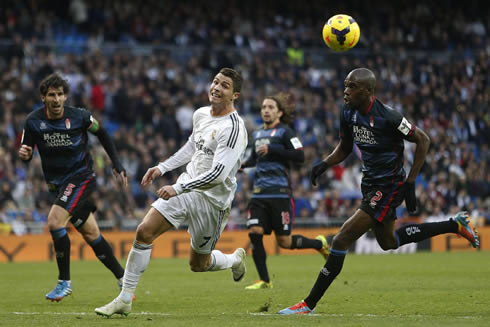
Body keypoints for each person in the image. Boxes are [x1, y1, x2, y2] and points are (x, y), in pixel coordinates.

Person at [279, 68, 480, 314]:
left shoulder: (389, 117)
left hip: (389, 185)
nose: (345, 91)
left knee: (342, 238)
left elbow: (423, 139)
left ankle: (308, 304)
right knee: (389, 241)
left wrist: (411, 182)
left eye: (352, 87)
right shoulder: (348, 112)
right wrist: (324, 164)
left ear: (368, 91)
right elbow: (344, 147)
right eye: (345, 85)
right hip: (370, 183)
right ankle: (455, 225)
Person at [94, 67, 248, 317]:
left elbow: (218, 175)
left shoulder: (233, 128)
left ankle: (234, 260)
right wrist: (162, 167)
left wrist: (177, 187)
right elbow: (192, 146)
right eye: (216, 82)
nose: (217, 88)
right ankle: (124, 298)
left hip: (212, 202)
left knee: (199, 264)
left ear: (235, 96)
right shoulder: (200, 114)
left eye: (225, 86)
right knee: (144, 231)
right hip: (187, 189)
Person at [18, 73, 128, 301]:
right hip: (57, 186)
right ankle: (124, 280)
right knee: (91, 233)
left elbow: (103, 133)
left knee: (54, 222)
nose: (56, 99)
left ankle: (64, 282)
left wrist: (116, 164)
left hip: (81, 178)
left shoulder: (81, 117)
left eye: (60, 94)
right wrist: (25, 155)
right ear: (43, 98)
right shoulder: (33, 121)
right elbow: (26, 152)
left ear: (65, 96)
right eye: (51, 95)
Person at [241, 93, 329, 290]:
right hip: (259, 194)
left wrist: (273, 149)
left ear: (279, 113)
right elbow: (257, 159)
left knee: (285, 242)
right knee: (254, 231)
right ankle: (265, 280)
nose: (266, 110)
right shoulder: (256, 134)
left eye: (270, 107)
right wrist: (244, 165)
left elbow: (300, 155)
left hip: (280, 194)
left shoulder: (285, 132)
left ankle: (319, 244)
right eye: (264, 107)